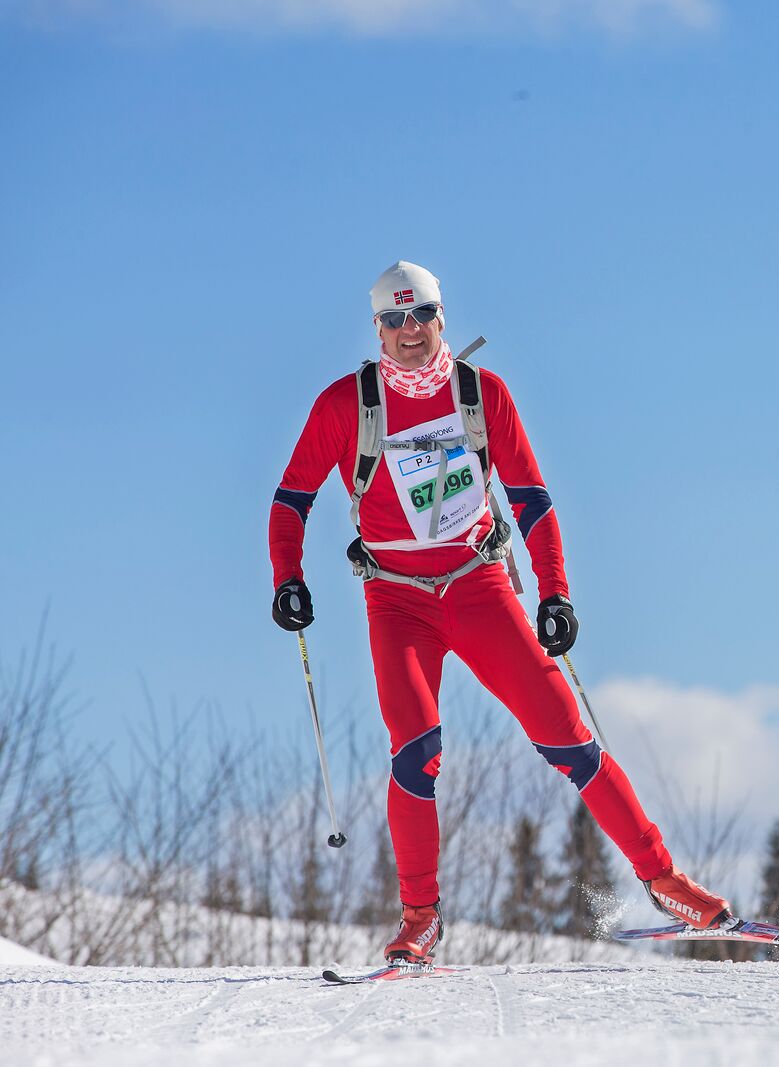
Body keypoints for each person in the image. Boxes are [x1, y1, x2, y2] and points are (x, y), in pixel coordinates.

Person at [268, 260, 728, 963]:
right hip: (397, 600)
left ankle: (663, 878)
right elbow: (292, 497)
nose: (408, 331)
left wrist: (553, 591)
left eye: (419, 314)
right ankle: (420, 916)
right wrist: (288, 578)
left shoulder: (481, 395)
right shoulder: (346, 405)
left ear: (440, 316)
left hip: (480, 585)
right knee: (415, 748)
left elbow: (531, 498)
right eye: (393, 321)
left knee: (569, 738)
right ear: (376, 329)